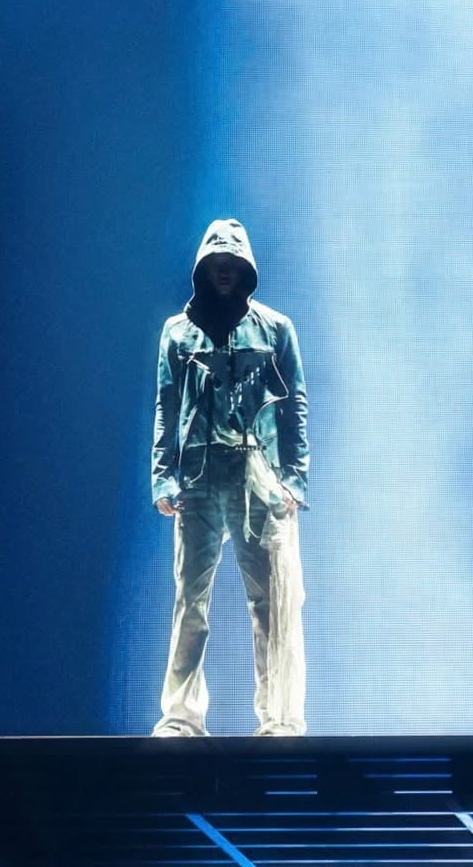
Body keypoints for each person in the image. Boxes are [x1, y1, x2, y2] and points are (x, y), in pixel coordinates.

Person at [151, 218, 309, 737]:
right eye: (216, 263)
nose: (224, 271)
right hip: (199, 476)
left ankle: (279, 718)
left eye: (232, 263)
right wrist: (163, 477)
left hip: (257, 474)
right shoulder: (178, 332)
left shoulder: (275, 329)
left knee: (273, 602)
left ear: (244, 268)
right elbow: (166, 405)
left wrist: (294, 479)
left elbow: (294, 406)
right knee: (190, 601)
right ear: (205, 267)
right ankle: (181, 717)